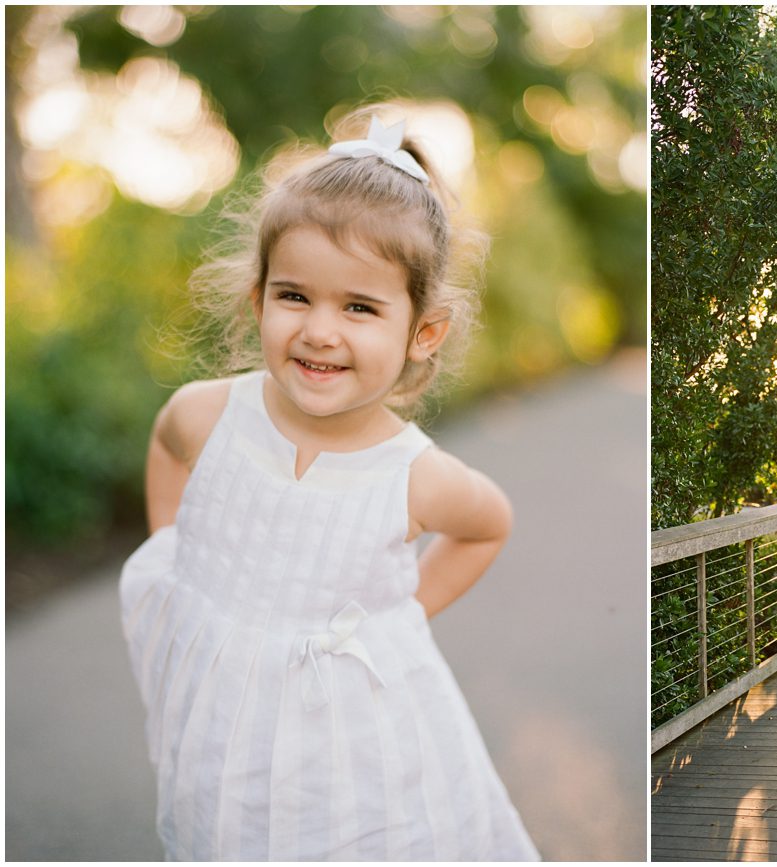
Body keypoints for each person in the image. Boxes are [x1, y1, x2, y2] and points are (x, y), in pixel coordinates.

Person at [119, 109, 540, 860]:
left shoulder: (412, 475)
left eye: (360, 307)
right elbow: (166, 444)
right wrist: (174, 549)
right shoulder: (208, 415)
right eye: (294, 295)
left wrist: (401, 611)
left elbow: (490, 523)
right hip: (226, 721)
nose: (320, 330)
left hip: (358, 742)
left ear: (423, 332)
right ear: (257, 298)